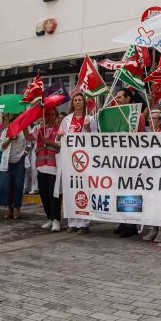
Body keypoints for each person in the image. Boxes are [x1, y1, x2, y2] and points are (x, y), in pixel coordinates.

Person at [59, 94, 97, 234]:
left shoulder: (90, 119)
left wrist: (87, 128)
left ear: (84, 103)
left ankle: (84, 223)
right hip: (70, 160)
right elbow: (60, 136)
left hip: (84, 160)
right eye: (75, 100)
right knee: (70, 189)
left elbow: (96, 138)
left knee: (84, 189)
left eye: (80, 100)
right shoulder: (66, 119)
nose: (77, 102)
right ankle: (72, 222)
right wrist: (60, 133)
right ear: (72, 103)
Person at [142, 109, 161, 243]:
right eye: (149, 118)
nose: (150, 121)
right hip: (148, 173)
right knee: (149, 201)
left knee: (160, 201)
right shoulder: (146, 134)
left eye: (153, 118)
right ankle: (153, 228)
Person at [34, 108, 62, 232]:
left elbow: (62, 145)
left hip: (54, 167)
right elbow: (29, 137)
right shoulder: (40, 130)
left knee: (54, 195)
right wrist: (23, 125)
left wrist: (49, 142)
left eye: (53, 114)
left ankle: (56, 220)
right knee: (44, 194)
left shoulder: (60, 129)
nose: (50, 116)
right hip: (41, 166)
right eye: (48, 115)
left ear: (56, 116)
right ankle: (49, 218)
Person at [0, 120, 31, 219]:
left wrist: (25, 152)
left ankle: (17, 208)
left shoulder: (24, 130)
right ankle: (9, 209)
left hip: (19, 161)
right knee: (7, 186)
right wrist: (10, 139)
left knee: (18, 186)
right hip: (7, 162)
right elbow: (1, 147)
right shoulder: (5, 131)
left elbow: (29, 144)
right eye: (12, 123)